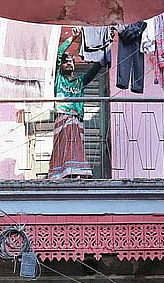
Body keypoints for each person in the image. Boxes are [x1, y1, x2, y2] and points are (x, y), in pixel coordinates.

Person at [49, 28, 108, 179]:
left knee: (76, 145)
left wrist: (107, 45)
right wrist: (72, 39)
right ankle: (62, 173)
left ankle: (77, 172)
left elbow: (95, 69)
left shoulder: (79, 82)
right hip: (63, 115)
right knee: (64, 145)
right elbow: (57, 55)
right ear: (61, 66)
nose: (69, 64)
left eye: (71, 62)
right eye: (66, 62)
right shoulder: (58, 79)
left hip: (77, 118)